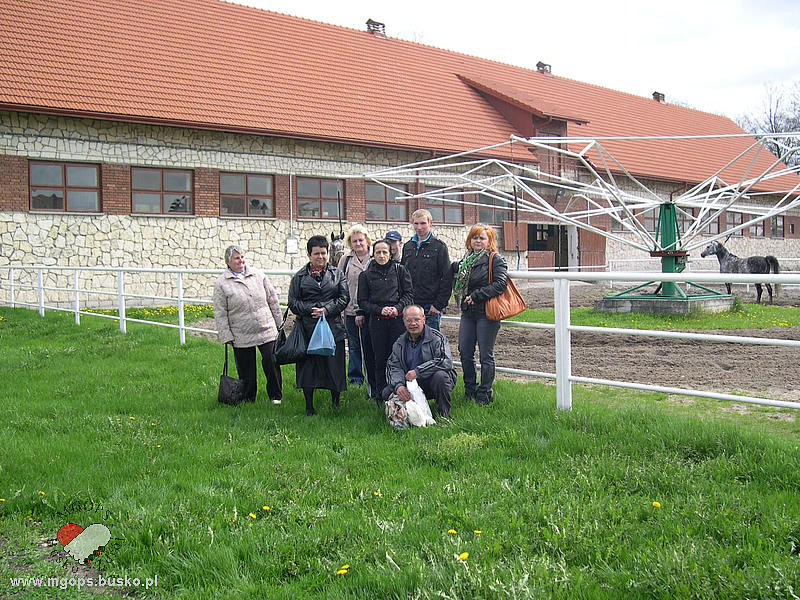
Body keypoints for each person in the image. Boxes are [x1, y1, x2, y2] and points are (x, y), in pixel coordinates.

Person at [213, 244, 283, 404]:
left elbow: (272, 299)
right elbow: (220, 311)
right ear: (228, 262)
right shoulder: (222, 283)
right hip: (241, 332)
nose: (240, 261)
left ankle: (276, 395)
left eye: (242, 257)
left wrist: (279, 323)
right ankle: (248, 398)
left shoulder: (258, 275)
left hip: (266, 328)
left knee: (271, 361)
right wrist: (226, 334)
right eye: (236, 258)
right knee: (246, 368)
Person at [288, 235, 349, 415]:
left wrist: (327, 309)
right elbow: (293, 301)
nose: (321, 257)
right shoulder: (299, 277)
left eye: (323, 253)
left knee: (334, 366)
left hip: (333, 327)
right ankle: (309, 406)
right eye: (316, 254)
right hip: (307, 328)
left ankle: (335, 403)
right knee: (308, 368)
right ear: (309, 255)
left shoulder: (337, 274)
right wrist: (310, 309)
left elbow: (344, 298)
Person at [453, 224, 508, 405]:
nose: (478, 241)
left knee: (486, 355)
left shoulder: (495, 259)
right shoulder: (466, 260)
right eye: (475, 237)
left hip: (486, 312)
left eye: (482, 238)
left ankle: (484, 393)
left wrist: (476, 296)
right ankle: (470, 389)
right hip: (468, 313)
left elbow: (500, 284)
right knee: (464, 351)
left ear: (489, 241)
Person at [357, 239, 414, 404]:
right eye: (378, 252)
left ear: (390, 253)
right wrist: (379, 310)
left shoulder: (400, 271)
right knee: (379, 358)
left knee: (398, 357)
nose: (381, 256)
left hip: (397, 321)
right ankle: (379, 394)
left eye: (385, 252)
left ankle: (401, 391)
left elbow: (408, 294)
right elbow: (363, 301)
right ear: (373, 254)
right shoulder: (366, 275)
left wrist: (398, 308)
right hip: (377, 321)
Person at [383, 305, 457, 419]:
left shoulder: (437, 337)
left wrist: (418, 372)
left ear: (424, 319)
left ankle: (444, 415)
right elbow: (393, 366)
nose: (413, 324)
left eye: (417, 319)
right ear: (404, 322)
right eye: (409, 320)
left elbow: (445, 361)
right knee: (387, 392)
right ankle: (408, 415)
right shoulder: (399, 342)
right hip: (412, 384)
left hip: (431, 381)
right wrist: (399, 386)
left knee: (441, 377)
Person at [401, 209, 453, 331]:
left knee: (430, 344)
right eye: (416, 223)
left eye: (423, 223)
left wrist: (438, 305)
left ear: (430, 223)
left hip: (430, 307)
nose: (419, 227)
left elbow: (446, 277)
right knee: (411, 343)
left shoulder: (439, 247)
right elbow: (403, 276)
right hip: (410, 304)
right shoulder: (407, 247)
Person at [339, 225, 375, 391]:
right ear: (350, 243)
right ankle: (355, 379)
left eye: (361, 240)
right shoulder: (345, 260)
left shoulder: (375, 257)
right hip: (350, 311)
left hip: (372, 311)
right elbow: (339, 283)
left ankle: (372, 377)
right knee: (354, 346)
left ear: (367, 240)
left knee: (371, 345)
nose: (358, 243)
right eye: (355, 241)